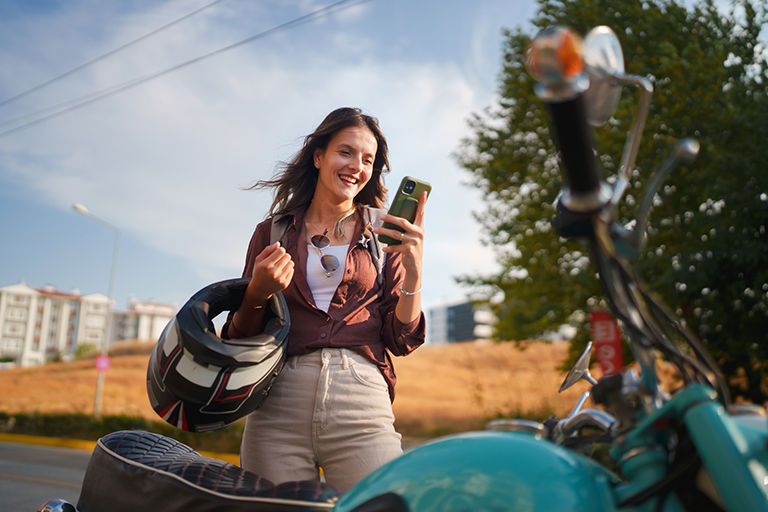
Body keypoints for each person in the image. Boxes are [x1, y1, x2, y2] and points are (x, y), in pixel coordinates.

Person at [223, 107, 427, 493]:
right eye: (346, 152)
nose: (357, 166)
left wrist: (415, 272)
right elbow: (239, 335)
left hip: (361, 400)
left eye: (368, 160)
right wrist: (256, 293)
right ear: (319, 157)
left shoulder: (385, 234)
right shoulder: (271, 233)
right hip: (278, 400)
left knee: (385, 502)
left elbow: (402, 338)